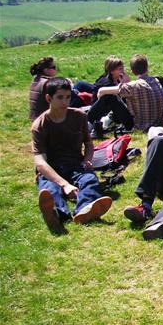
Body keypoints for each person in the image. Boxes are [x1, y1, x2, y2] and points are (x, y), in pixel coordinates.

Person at [32, 77, 112, 232]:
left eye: (68, 97)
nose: (65, 102)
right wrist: (65, 185)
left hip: (76, 164)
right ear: (49, 98)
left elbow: (88, 144)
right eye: (60, 97)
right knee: (50, 190)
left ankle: (84, 210)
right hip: (51, 169)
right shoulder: (39, 125)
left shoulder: (79, 116)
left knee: (89, 180)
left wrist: (87, 160)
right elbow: (40, 163)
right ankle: (56, 214)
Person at [90, 54, 163, 132]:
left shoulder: (133, 86)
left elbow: (101, 91)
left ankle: (89, 122)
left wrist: (125, 84)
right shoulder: (156, 81)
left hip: (139, 126)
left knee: (110, 97)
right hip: (157, 124)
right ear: (147, 68)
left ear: (132, 71)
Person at [86, 56, 135, 135]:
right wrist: (125, 85)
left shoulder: (118, 80)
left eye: (123, 68)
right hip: (99, 112)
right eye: (120, 69)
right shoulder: (105, 82)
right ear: (112, 71)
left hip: (112, 113)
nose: (123, 71)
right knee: (110, 96)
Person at [29, 56, 59, 121]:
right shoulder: (48, 83)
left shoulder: (35, 79)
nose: (56, 69)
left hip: (34, 119)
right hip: (46, 120)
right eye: (54, 67)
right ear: (46, 70)